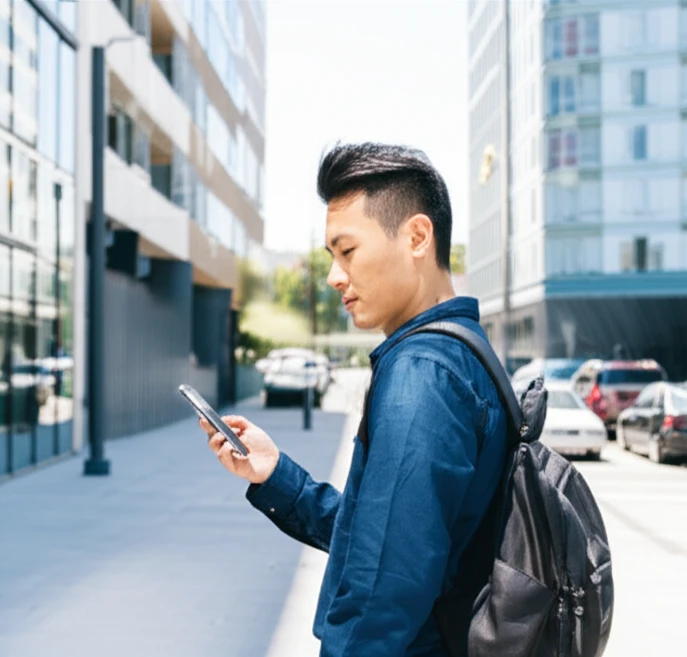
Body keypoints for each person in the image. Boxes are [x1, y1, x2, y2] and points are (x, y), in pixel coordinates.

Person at [198, 143, 509, 656]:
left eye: (348, 252)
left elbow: (381, 594)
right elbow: (386, 534)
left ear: (416, 237)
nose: (334, 276)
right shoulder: (463, 351)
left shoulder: (422, 373)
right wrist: (277, 477)